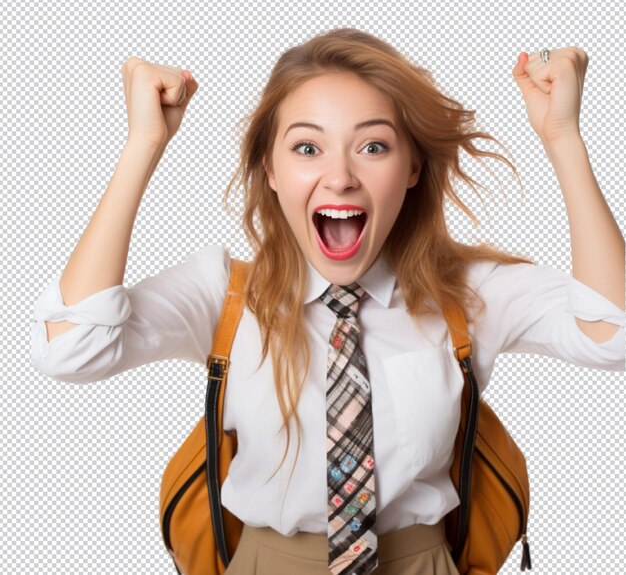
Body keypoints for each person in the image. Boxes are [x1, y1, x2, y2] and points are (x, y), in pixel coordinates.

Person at [31, 29, 624, 574]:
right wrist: (143, 143)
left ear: (413, 167)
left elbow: (614, 334)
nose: (339, 177)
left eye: (372, 146)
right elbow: (71, 349)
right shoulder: (225, 295)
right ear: (269, 168)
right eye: (307, 149)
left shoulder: (464, 294)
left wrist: (563, 137)